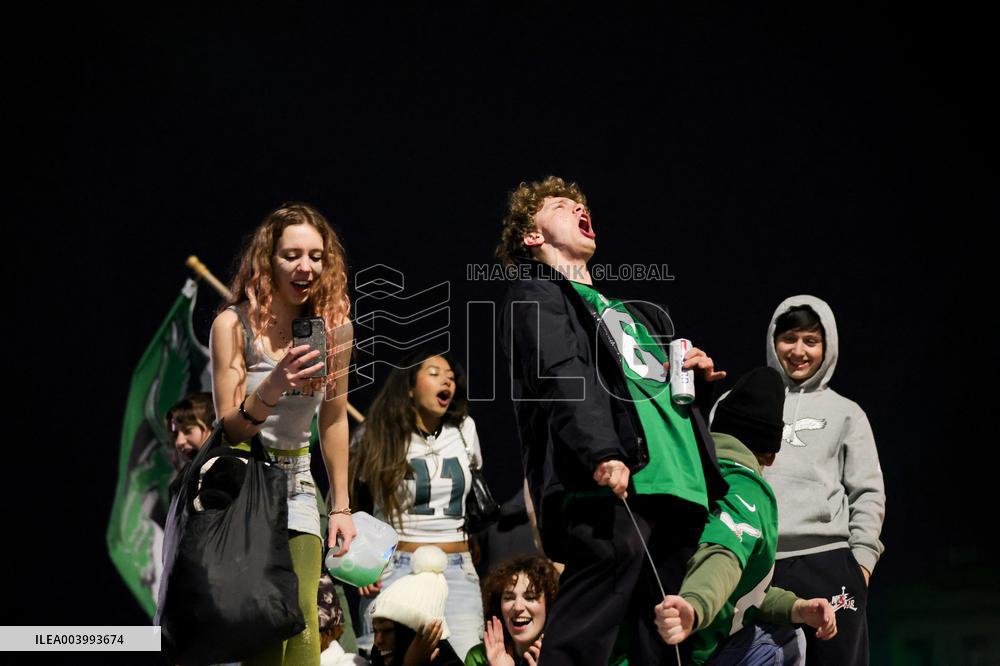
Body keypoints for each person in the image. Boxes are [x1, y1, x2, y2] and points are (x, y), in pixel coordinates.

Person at [496, 175, 730, 665]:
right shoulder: (536, 292)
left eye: (580, 204)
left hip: (678, 484)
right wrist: (600, 450)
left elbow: (649, 392)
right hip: (608, 481)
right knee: (588, 622)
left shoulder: (632, 314)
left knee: (663, 637)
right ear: (533, 236)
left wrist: (696, 378)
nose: (579, 208)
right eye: (560, 205)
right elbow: (561, 373)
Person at [210, 202, 357, 666]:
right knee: (263, 623)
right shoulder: (233, 325)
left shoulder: (335, 330)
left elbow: (334, 419)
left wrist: (341, 506)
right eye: (291, 255)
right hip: (244, 485)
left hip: (298, 482)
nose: (305, 267)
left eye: (315, 256)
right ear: (268, 261)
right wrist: (275, 383)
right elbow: (229, 427)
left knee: (304, 621)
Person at [653, 367, 837, 664]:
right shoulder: (745, 487)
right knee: (785, 640)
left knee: (787, 626)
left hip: (640, 637)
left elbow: (746, 594)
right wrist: (694, 606)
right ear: (770, 456)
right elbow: (723, 552)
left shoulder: (688, 472)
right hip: (689, 648)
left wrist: (797, 608)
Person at [762, 296, 885, 664]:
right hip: (760, 564)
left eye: (811, 341)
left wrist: (861, 565)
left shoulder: (848, 413)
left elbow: (868, 493)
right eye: (789, 339)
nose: (799, 351)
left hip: (829, 565)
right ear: (773, 341)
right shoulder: (742, 402)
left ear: (827, 345)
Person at [351, 349, 485, 660]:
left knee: (468, 657)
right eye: (435, 374)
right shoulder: (379, 433)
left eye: (450, 377)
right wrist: (362, 562)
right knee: (389, 658)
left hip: (456, 567)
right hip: (396, 566)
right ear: (409, 387)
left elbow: (467, 495)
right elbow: (351, 502)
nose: (447, 381)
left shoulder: (464, 429)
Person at [369, 546, 465, 666]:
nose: (378, 641)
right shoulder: (379, 657)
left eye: (387, 631)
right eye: (375, 631)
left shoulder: (446, 661)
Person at [464, 556, 559, 666]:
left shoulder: (567, 656)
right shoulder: (479, 657)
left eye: (530, 597)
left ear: (549, 605)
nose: (518, 607)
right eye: (509, 598)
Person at [165, 392, 216, 499]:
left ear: (213, 427)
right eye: (175, 434)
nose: (179, 442)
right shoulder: (180, 484)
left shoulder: (226, 472)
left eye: (187, 431)